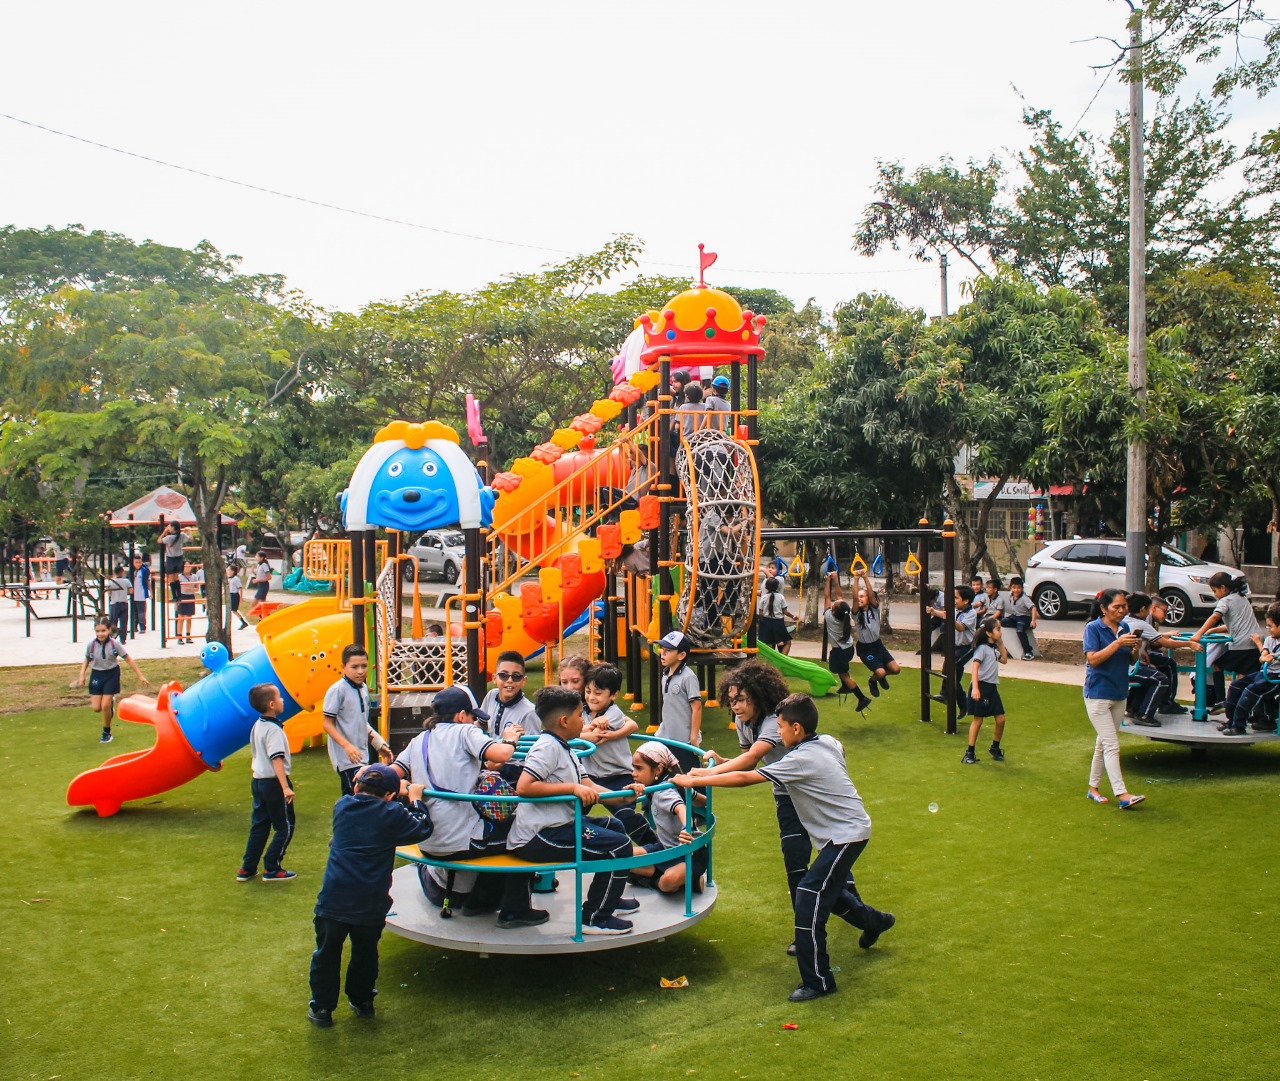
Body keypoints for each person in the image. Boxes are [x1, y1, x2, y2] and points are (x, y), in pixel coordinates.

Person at [673, 693, 895, 1002]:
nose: (777, 733)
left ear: (796, 729)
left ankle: (819, 981)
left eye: (780, 727)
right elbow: (838, 748)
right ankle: (876, 921)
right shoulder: (827, 742)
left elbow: (745, 778)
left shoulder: (800, 759)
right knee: (829, 894)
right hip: (842, 834)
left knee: (808, 895)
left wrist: (696, 780)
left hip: (847, 835)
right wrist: (705, 772)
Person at [688, 660, 813, 943]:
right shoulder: (745, 724)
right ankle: (806, 934)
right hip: (786, 798)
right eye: (732, 700)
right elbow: (743, 763)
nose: (736, 706)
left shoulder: (771, 721)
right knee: (796, 867)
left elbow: (751, 759)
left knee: (828, 864)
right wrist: (722, 762)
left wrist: (705, 775)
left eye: (742, 699)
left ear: (758, 696)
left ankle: (861, 914)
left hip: (811, 795)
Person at [391, 685, 539, 924]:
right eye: (472, 717)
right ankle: (516, 910)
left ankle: (481, 901)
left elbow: (393, 773)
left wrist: (371, 775)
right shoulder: (465, 732)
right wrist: (510, 739)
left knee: (504, 830)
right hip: (461, 839)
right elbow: (501, 754)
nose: (474, 722)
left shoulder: (420, 739)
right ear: (462, 715)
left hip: (428, 839)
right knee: (524, 835)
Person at [508, 686, 643, 936]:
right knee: (619, 845)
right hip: (540, 836)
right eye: (580, 715)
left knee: (614, 827)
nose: (584, 720)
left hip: (559, 826)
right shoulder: (547, 747)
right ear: (563, 720)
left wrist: (625, 793)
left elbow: (589, 785)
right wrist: (572, 788)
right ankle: (594, 918)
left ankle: (607, 897)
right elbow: (524, 787)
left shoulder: (565, 747)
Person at [307, 764, 434, 1028]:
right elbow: (421, 829)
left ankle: (321, 1008)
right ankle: (362, 1000)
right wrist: (415, 800)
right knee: (365, 953)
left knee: (326, 953)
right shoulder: (391, 813)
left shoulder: (342, 806)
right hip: (370, 900)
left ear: (356, 787)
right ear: (390, 795)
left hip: (334, 898)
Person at [1083, 589, 1146, 809]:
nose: (1121, 611)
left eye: (1123, 607)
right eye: (1116, 607)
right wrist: (1118, 643)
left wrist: (1135, 649)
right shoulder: (1093, 629)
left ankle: (1093, 788)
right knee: (1111, 744)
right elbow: (1093, 660)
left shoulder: (1125, 628)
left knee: (1103, 743)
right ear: (1103, 608)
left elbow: (1130, 660)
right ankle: (1122, 794)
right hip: (1098, 694)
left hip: (1119, 692)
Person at [623, 741, 707, 894]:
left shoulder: (664, 792)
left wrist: (686, 827)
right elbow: (697, 798)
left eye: (639, 768)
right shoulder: (671, 781)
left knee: (667, 883)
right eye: (633, 767)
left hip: (689, 853)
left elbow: (682, 808)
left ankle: (657, 879)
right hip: (665, 848)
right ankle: (676, 878)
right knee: (622, 856)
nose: (633, 773)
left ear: (658, 769)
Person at [236, 682, 298, 883]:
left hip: (258, 782)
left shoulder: (258, 725)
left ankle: (247, 868)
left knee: (260, 826)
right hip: (273, 783)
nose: (282, 700)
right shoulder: (273, 730)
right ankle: (272, 867)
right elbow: (276, 758)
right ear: (272, 704)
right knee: (285, 826)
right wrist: (285, 787)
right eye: (279, 697)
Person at [322, 645, 393, 796]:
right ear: (343, 667)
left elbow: (361, 722)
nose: (360, 671)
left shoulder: (363, 688)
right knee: (361, 797)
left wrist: (378, 743)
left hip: (361, 756)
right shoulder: (337, 690)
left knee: (354, 799)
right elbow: (327, 724)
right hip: (346, 759)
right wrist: (347, 746)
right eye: (354, 667)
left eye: (364, 666)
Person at [1189, 572, 1260, 712]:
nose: (1215, 594)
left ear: (1223, 588)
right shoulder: (1242, 598)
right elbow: (1236, 623)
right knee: (1241, 680)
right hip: (1255, 644)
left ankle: (1221, 701)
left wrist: (1199, 634)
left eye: (1215, 591)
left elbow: (1215, 617)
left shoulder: (1225, 601)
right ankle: (1238, 712)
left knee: (1217, 665)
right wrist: (1214, 631)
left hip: (1241, 645)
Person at [76, 618, 149, 743]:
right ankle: (110, 704)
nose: (100, 634)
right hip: (97, 675)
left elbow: (128, 659)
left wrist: (141, 676)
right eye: (97, 631)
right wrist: (82, 675)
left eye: (103, 631)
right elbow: (87, 660)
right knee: (96, 708)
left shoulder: (115, 644)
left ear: (109, 630)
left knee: (105, 705)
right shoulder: (91, 645)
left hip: (111, 674)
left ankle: (106, 732)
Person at [1219, 602, 1280, 735]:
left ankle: (1239, 726)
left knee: (1250, 692)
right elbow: (1263, 655)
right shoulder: (1270, 639)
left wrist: (1275, 658)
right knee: (1236, 685)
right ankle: (1232, 720)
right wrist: (1264, 658)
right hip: (1265, 673)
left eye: (1271, 626)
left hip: (1276, 678)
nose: (1268, 629)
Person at [580, 662, 639, 795]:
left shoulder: (613, 714)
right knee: (575, 810)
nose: (591, 697)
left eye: (598, 693)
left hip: (618, 774)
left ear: (613, 695)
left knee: (625, 813)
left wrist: (564, 734)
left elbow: (594, 738)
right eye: (588, 691)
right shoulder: (582, 710)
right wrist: (586, 728)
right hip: (591, 775)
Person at [822, 574, 874, 712]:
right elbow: (839, 596)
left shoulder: (829, 617)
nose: (833, 603)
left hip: (840, 651)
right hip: (848, 649)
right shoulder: (846, 614)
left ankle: (862, 698)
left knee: (841, 673)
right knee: (841, 667)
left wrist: (828, 581)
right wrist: (835, 580)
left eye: (833, 606)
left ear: (832, 612)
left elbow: (827, 597)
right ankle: (846, 686)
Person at [654, 631, 704, 773]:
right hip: (665, 735)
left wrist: (693, 738)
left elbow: (697, 708)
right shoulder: (665, 674)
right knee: (664, 774)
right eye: (662, 650)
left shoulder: (688, 677)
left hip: (684, 739)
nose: (663, 654)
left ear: (681, 655)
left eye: (668, 651)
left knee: (690, 775)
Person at [962, 618, 1009, 763]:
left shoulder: (993, 648)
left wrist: (1000, 643)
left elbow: (1004, 660)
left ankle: (995, 747)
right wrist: (975, 688)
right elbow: (975, 667)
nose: (1000, 632)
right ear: (989, 633)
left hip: (991, 688)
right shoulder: (982, 649)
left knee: (1001, 719)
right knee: (978, 720)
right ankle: (970, 752)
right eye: (998, 629)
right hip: (981, 686)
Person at [927, 586, 979, 716]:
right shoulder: (955, 610)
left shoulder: (971, 613)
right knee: (953, 678)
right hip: (954, 647)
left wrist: (949, 617)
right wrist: (934, 612)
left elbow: (961, 627)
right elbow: (945, 615)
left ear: (966, 601)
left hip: (966, 648)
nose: (953, 600)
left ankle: (945, 694)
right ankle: (963, 705)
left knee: (951, 668)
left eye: (956, 598)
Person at [1121, 593, 1168, 728]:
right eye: (1148, 609)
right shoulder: (1141, 624)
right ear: (1143, 609)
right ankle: (1144, 715)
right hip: (1128, 668)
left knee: (1151, 673)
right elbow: (1164, 642)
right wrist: (1189, 644)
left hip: (1128, 664)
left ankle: (1132, 707)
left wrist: (1143, 652)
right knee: (1161, 680)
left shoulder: (1126, 621)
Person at [853, 571, 901, 696]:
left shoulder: (874, 610)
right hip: (865, 649)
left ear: (869, 598)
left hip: (877, 645)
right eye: (859, 596)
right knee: (881, 672)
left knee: (896, 669)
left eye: (862, 596)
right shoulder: (857, 615)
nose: (859, 598)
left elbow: (871, 595)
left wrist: (865, 577)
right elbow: (854, 598)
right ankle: (873, 680)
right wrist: (856, 580)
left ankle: (880, 675)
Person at [479, 651, 539, 739]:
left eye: (516, 676)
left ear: (523, 681)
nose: (510, 680)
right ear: (494, 679)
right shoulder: (491, 695)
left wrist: (519, 738)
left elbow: (534, 747)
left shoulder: (529, 712)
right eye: (503, 675)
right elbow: (481, 723)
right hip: (492, 751)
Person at [755, 576, 795, 655]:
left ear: (766, 587)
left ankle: (771, 661)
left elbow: (760, 612)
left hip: (766, 622)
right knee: (787, 643)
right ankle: (783, 659)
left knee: (769, 645)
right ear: (777, 587)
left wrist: (762, 622)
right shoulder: (780, 597)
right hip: (778, 623)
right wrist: (792, 616)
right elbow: (785, 611)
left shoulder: (764, 597)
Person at [1001, 577, 1038, 660]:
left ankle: (1028, 652)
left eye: (1018, 588)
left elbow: (1034, 608)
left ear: (1022, 588)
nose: (1016, 590)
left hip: (1025, 618)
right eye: (1014, 588)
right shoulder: (1011, 596)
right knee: (1000, 623)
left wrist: (1033, 621)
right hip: (1015, 617)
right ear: (1010, 588)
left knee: (1020, 630)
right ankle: (1003, 648)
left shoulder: (1024, 598)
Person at [173, 559, 200, 644]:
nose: (187, 568)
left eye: (189, 566)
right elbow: (175, 588)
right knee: (181, 618)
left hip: (190, 596)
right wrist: (176, 601)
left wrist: (190, 589)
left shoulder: (194, 577)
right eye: (185, 566)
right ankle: (179, 637)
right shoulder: (179, 577)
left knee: (189, 618)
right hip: (182, 596)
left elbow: (197, 588)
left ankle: (188, 636)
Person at [159, 522, 191, 587]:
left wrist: (164, 531)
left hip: (170, 559)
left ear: (173, 528)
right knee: (176, 577)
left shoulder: (169, 538)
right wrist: (189, 531)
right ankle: (178, 595)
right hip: (179, 558)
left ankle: (174, 596)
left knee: (171, 578)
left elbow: (159, 540)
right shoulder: (182, 535)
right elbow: (190, 539)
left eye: (170, 526)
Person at [106, 564, 132, 640]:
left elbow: (109, 592)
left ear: (115, 573)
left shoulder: (111, 581)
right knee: (124, 622)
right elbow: (131, 591)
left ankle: (112, 637)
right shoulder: (126, 581)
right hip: (124, 602)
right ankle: (123, 638)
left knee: (113, 622)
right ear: (122, 572)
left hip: (114, 603)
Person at [129, 553, 151, 636]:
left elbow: (147, 581)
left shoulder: (144, 570)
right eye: (136, 562)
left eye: (139, 562)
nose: (138, 564)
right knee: (134, 611)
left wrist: (150, 592)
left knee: (141, 612)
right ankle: (134, 626)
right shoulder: (131, 571)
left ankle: (142, 627)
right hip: (133, 595)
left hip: (141, 594)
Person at [226, 562, 248, 630]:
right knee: (232, 610)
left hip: (234, 595)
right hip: (230, 595)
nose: (227, 571)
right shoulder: (229, 578)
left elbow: (240, 588)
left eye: (228, 570)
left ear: (232, 571)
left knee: (234, 610)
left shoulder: (236, 578)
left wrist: (241, 597)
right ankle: (243, 622)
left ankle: (243, 622)